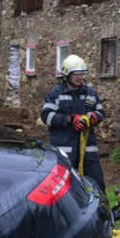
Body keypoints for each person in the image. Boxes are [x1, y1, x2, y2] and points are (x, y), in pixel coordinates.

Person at [42, 54, 106, 194]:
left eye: (82, 74)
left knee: (97, 184)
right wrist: (70, 120)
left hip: (88, 150)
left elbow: (101, 112)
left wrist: (92, 117)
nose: (80, 77)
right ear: (67, 75)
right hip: (64, 151)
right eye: (76, 74)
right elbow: (46, 116)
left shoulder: (90, 93)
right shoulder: (55, 94)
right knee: (62, 188)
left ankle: (101, 208)